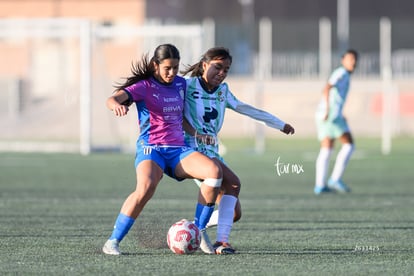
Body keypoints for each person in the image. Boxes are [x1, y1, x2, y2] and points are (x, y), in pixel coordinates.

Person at [102, 44, 223, 255]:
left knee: (214, 172)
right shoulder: (143, 86)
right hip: (152, 148)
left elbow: (180, 117)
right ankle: (113, 241)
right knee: (146, 187)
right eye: (167, 68)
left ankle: (199, 230)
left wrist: (196, 134)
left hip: (178, 149)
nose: (172, 73)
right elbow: (112, 99)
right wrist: (117, 106)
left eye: (175, 68)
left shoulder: (181, 84)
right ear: (154, 65)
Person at [181, 47, 295, 254]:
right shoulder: (188, 86)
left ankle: (193, 228)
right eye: (218, 67)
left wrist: (279, 124)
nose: (222, 73)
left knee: (234, 213)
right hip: (190, 151)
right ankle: (220, 241)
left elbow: (247, 109)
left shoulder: (223, 91)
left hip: (212, 152)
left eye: (226, 69)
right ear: (204, 65)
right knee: (233, 182)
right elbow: (170, 111)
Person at [314, 49, 359, 195]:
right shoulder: (341, 73)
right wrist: (328, 109)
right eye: (350, 59)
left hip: (329, 115)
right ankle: (335, 178)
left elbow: (335, 97)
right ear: (343, 60)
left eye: (355, 59)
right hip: (330, 116)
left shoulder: (344, 74)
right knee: (349, 145)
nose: (353, 62)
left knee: (327, 148)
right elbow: (327, 88)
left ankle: (320, 185)